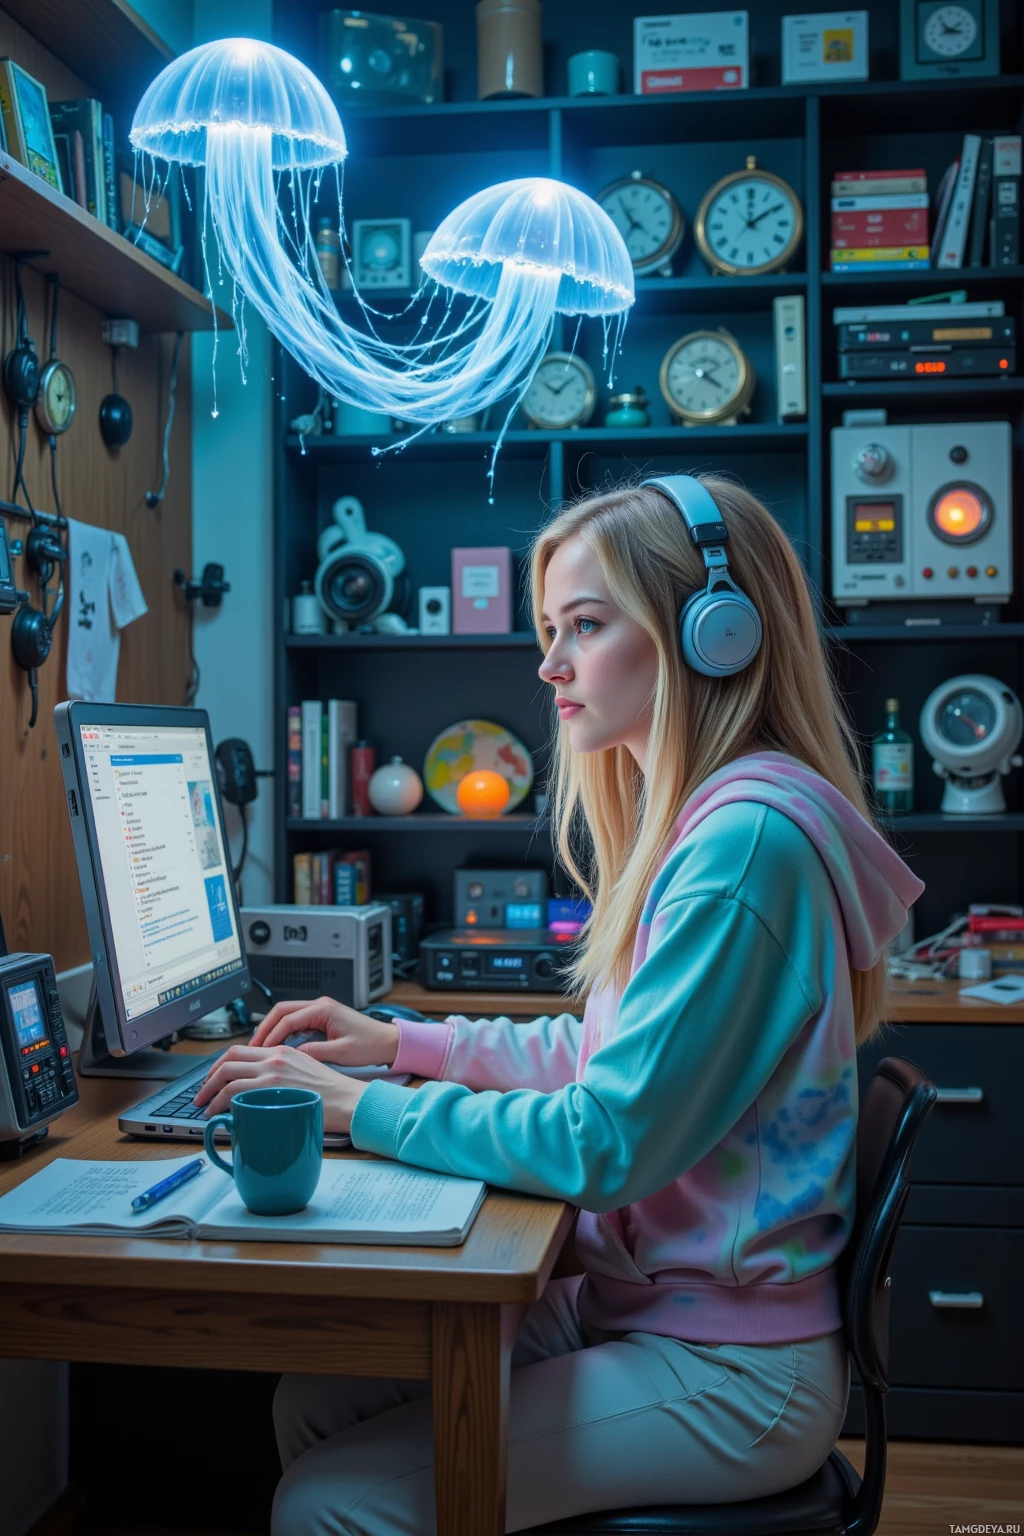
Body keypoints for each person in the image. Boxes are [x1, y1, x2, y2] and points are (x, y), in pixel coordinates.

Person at [194, 474, 924, 1536]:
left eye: (584, 625)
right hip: (661, 1311)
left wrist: (362, 1109)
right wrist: (403, 1040)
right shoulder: (706, 823)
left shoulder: (742, 848)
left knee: (329, 1502)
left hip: (731, 1368)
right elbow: (603, 1052)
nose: (549, 665)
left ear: (712, 635)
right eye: (549, 629)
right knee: (321, 1398)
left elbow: (604, 1141)